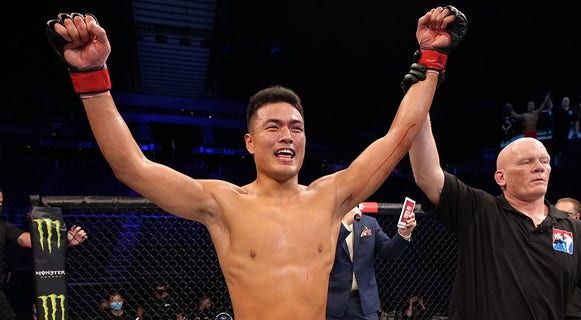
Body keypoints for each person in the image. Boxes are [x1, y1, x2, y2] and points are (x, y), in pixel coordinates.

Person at [45, 5, 467, 320]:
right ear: (248, 141)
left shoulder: (332, 196)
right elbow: (132, 168)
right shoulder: (221, 202)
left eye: (296, 128)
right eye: (273, 127)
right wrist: (93, 77)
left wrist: (431, 61)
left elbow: (398, 138)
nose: (287, 135)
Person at [408, 129, 581, 319]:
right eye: (526, 161)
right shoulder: (479, 210)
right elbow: (427, 175)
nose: (539, 167)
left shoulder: (577, 231)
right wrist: (421, 103)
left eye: (545, 161)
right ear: (500, 177)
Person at [0, 188, 88, 320]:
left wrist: (65, 240)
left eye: (1, 202)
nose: (0, 205)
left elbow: (28, 240)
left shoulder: (2, 225)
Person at [326, 205, 416, 320]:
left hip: (364, 302)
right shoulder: (326, 222)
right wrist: (344, 224)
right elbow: (322, 254)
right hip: (333, 302)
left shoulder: (369, 222)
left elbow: (389, 252)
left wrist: (403, 234)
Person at [555, 197, 581, 320]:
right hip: (547, 305)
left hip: (573, 308)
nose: (559, 217)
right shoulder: (544, 235)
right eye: (556, 213)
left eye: (566, 214)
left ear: (577, 216)